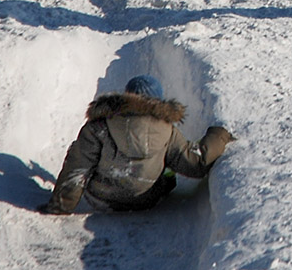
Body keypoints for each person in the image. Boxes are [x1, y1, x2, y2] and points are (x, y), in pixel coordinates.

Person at [37, 75, 235, 214]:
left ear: (125, 97)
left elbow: (78, 168)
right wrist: (220, 134)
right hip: (147, 199)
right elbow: (196, 164)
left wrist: (60, 207)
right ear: (159, 101)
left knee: (81, 152)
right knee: (167, 165)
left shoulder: (99, 127)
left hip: (101, 197)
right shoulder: (167, 130)